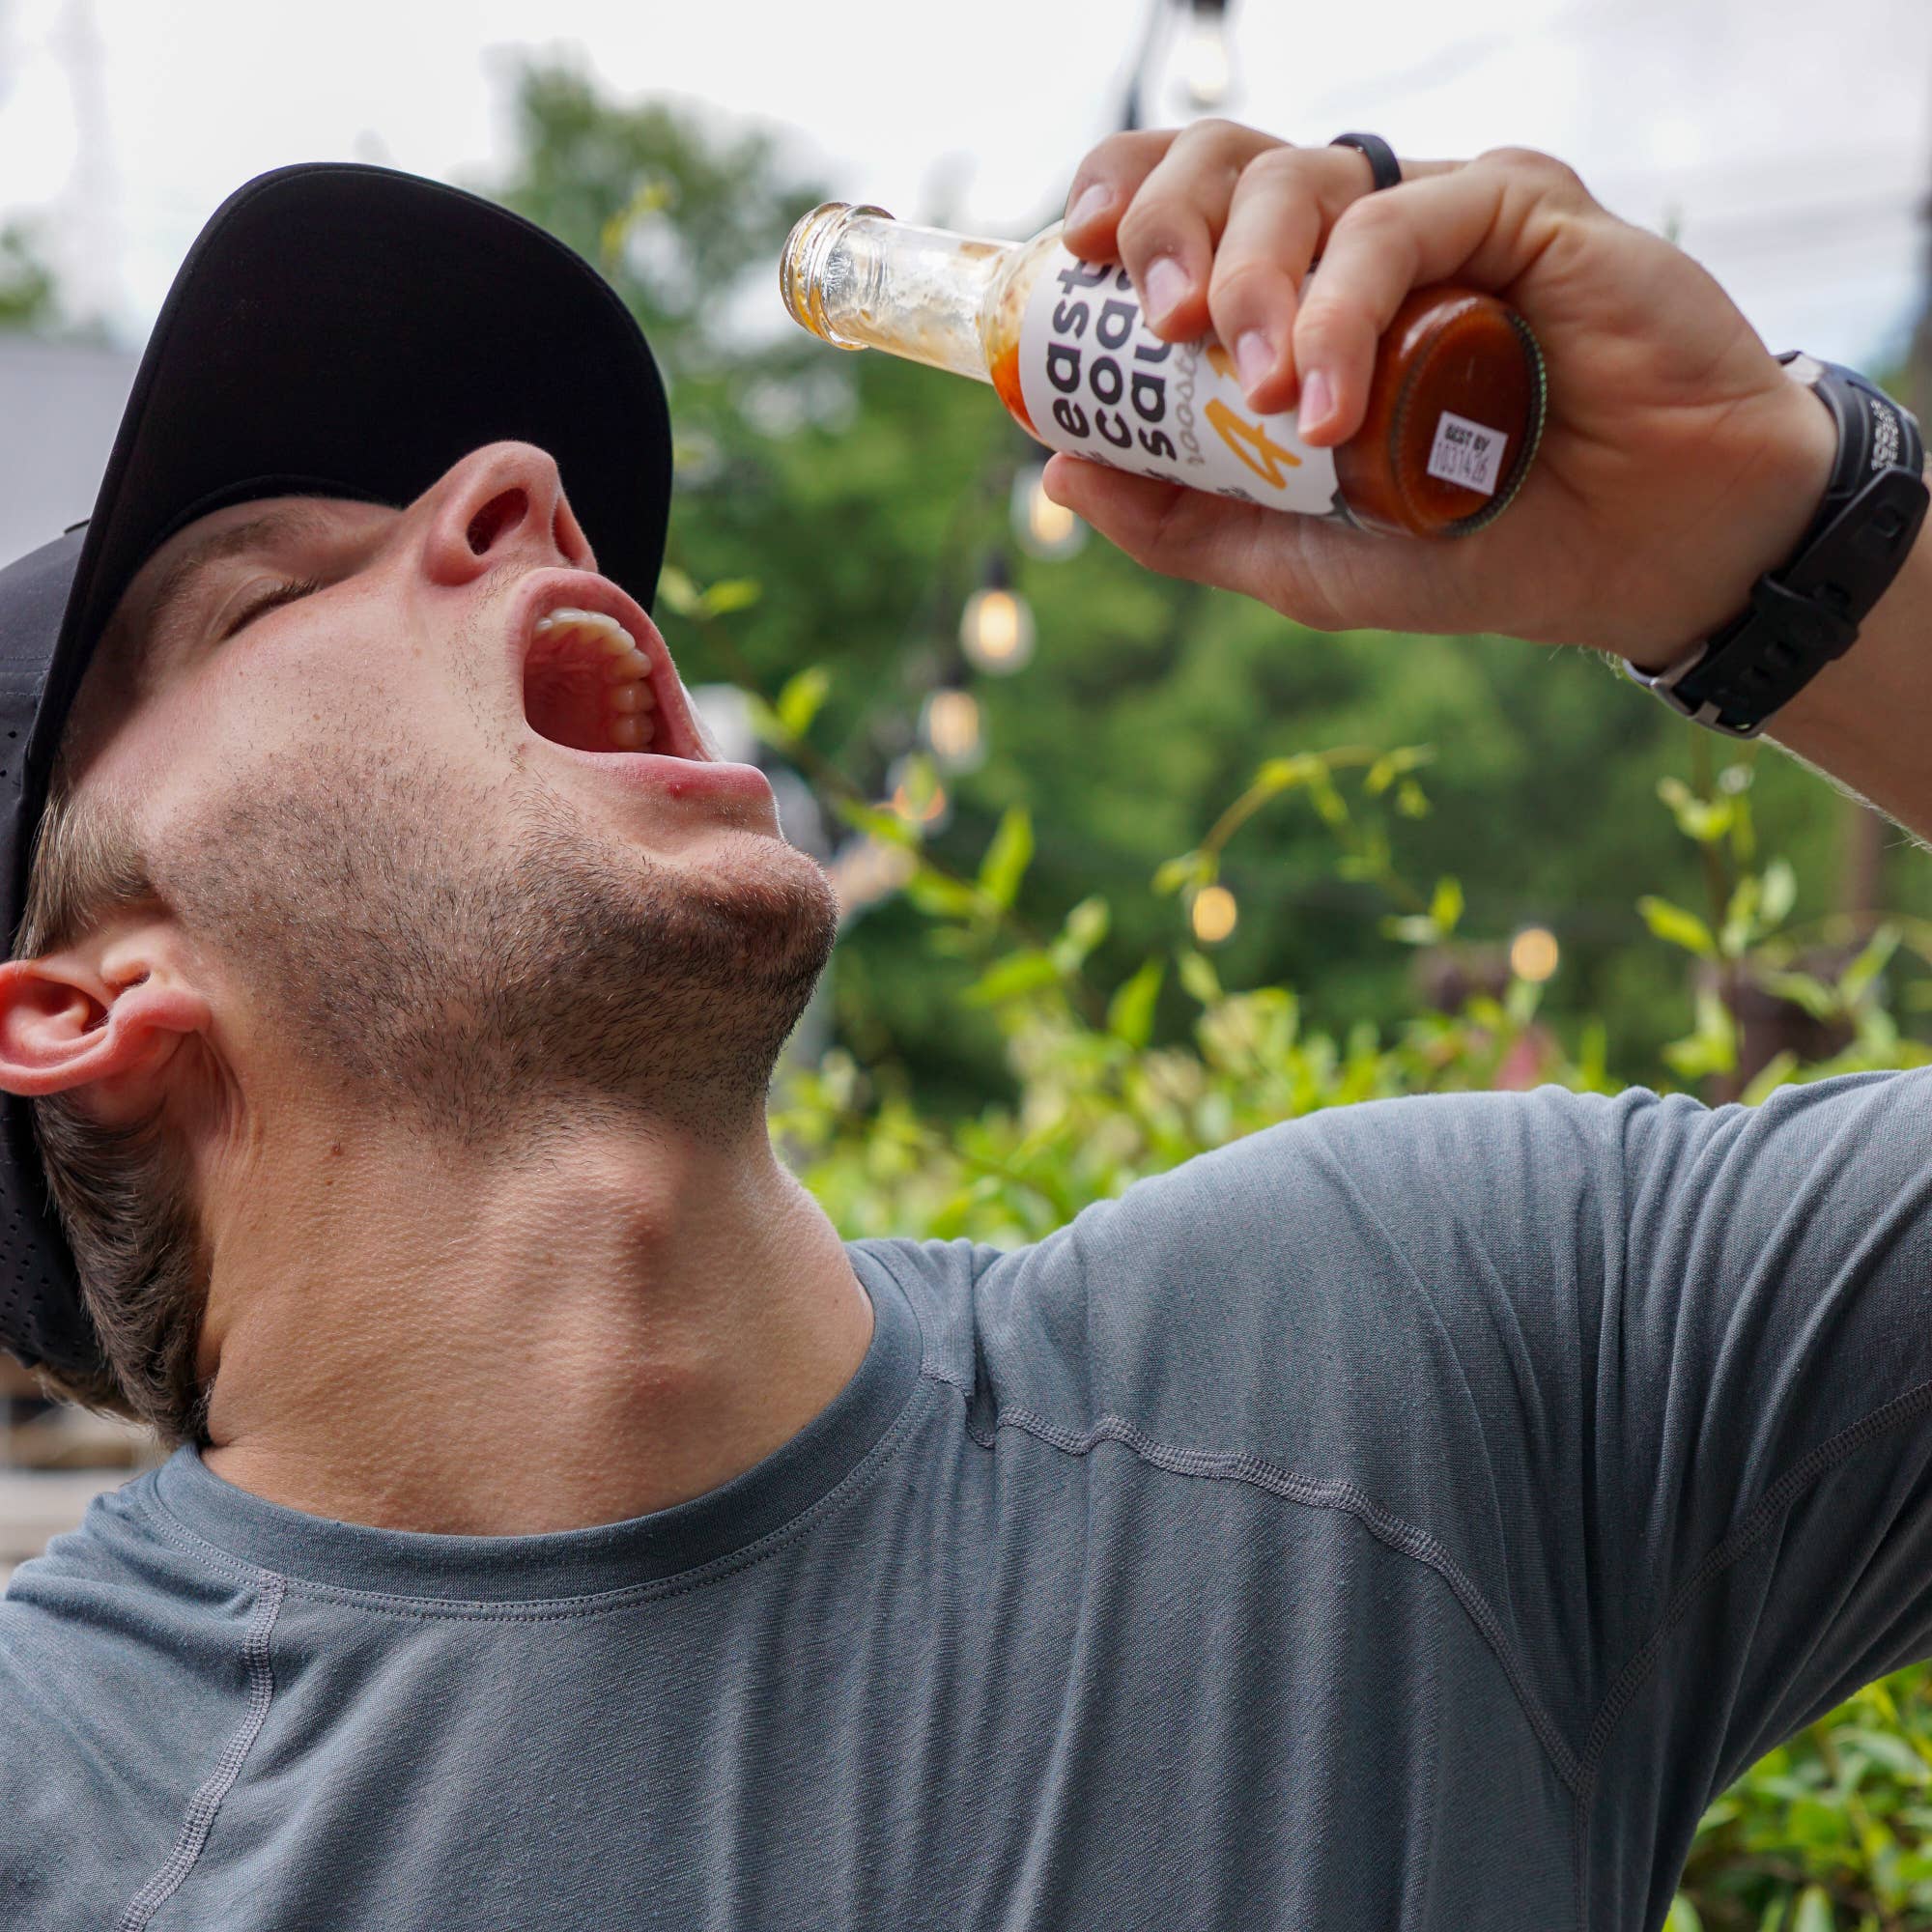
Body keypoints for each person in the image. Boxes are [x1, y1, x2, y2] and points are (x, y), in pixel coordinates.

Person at [0, 120, 1928, 1932]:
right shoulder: (48, 1814)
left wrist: (1763, 531)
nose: (526, 494)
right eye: (263, 599)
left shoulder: (1424, 1359)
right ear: (85, 1001)